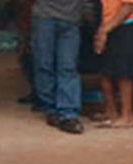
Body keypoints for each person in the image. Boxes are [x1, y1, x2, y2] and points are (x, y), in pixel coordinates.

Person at [31, 0, 84, 134]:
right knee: (44, 64)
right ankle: (51, 108)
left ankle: (68, 114)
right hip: (45, 17)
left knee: (68, 66)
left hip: (70, 20)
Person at [93, 0, 133, 128]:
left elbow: (129, 5)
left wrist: (106, 29)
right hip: (106, 23)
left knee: (124, 72)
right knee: (106, 71)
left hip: (125, 25)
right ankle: (110, 111)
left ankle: (127, 116)